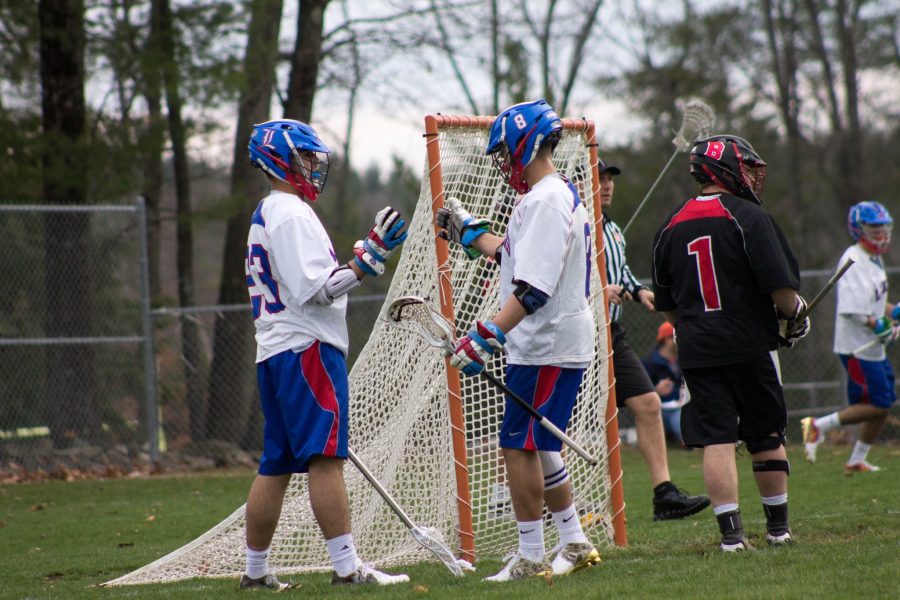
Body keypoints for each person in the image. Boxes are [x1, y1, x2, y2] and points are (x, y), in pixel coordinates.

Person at [241, 119, 410, 590]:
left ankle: (255, 573)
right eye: (305, 159)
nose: (313, 168)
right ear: (281, 160)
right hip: (306, 350)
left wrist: (357, 258)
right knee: (326, 458)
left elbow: (305, 282)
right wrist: (368, 259)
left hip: (275, 351)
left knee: (276, 461)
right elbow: (316, 289)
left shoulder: (269, 212)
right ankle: (346, 569)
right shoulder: (290, 213)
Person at [436, 100, 600, 581]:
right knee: (541, 442)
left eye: (506, 151)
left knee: (518, 443)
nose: (503, 162)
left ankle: (530, 556)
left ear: (525, 146)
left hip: (548, 339)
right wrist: (468, 231)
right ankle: (572, 540)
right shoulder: (548, 196)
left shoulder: (545, 200)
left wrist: (485, 336)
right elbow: (512, 256)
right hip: (548, 339)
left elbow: (532, 290)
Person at [651, 134, 810, 551]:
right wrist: (797, 315)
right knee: (765, 434)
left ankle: (732, 539)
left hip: (699, 350)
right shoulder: (749, 218)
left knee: (718, 438)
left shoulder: (669, 224)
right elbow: (780, 290)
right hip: (748, 344)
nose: (753, 176)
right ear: (726, 170)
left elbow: (668, 307)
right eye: (747, 166)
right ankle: (778, 530)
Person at [598, 159, 710, 521]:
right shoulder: (572, 226)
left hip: (612, 336)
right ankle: (559, 502)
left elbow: (622, 272)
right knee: (573, 421)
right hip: (578, 339)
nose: (608, 185)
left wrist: (638, 290)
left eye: (611, 178)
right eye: (600, 179)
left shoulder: (613, 231)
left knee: (648, 403)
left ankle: (665, 495)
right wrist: (598, 290)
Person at [802, 201, 897, 474]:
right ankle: (817, 427)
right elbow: (852, 309)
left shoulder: (874, 260)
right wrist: (878, 322)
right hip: (857, 346)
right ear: (858, 229)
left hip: (873, 347)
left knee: (883, 402)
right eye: (873, 228)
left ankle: (857, 459)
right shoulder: (853, 258)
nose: (881, 233)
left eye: (883, 228)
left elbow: (875, 303)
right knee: (877, 404)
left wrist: (892, 312)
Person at [641, 321, 686, 446]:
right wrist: (656, 391)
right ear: (667, 340)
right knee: (678, 419)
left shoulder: (684, 360)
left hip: (683, 407)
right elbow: (639, 397)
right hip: (662, 410)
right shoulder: (649, 363)